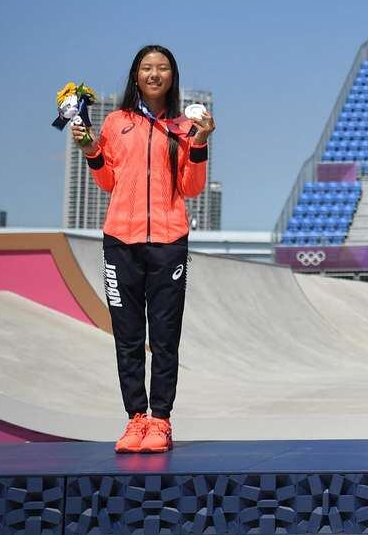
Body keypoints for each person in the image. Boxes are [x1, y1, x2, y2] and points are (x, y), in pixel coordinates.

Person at [74, 44, 214, 453]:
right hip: (121, 240)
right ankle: (135, 419)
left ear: (172, 77)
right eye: (147, 68)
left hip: (169, 241)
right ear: (136, 76)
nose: (154, 74)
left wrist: (201, 143)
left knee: (165, 337)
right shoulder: (116, 122)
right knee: (128, 337)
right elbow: (107, 182)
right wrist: (89, 150)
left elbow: (191, 187)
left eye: (163, 68)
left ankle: (161, 420)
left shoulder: (185, 126)